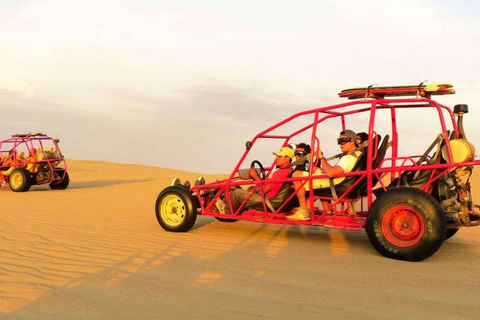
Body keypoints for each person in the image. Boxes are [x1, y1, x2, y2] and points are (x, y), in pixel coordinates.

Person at [288, 130, 359, 221]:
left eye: (343, 141)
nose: (340, 144)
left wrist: (321, 158)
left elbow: (331, 173)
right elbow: (337, 171)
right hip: (342, 181)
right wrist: (321, 170)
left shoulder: (348, 158)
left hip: (335, 185)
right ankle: (313, 209)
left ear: (353, 141)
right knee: (315, 171)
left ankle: (304, 211)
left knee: (296, 175)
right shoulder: (357, 154)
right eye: (339, 141)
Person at [223, 146, 294, 214]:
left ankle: (226, 212)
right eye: (277, 156)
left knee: (237, 193)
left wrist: (255, 176)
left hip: (269, 203)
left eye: (280, 156)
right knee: (252, 188)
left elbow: (264, 190)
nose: (277, 159)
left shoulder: (280, 173)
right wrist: (263, 179)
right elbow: (274, 187)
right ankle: (240, 207)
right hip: (276, 201)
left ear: (287, 158)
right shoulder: (290, 171)